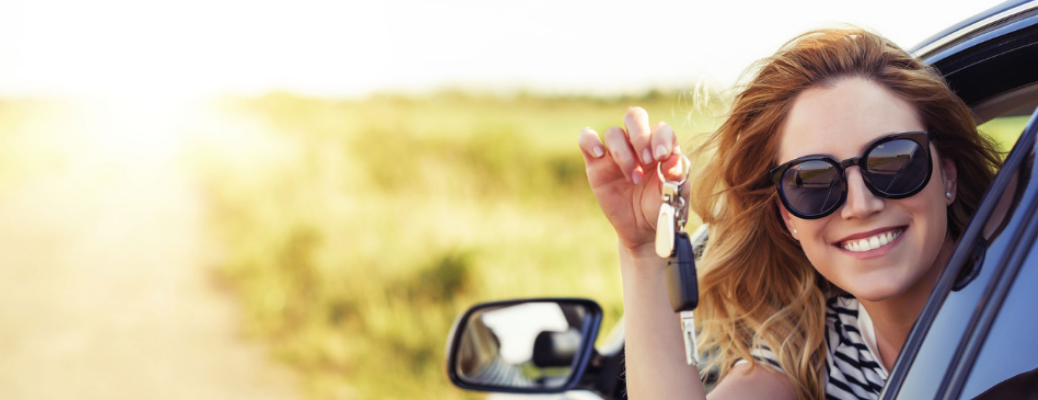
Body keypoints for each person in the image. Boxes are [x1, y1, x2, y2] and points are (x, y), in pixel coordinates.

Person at [576, 27, 1003, 399]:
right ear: (786, 217)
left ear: (947, 175)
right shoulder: (815, 349)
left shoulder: (1020, 312)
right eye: (813, 181)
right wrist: (646, 249)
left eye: (892, 161)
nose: (861, 204)